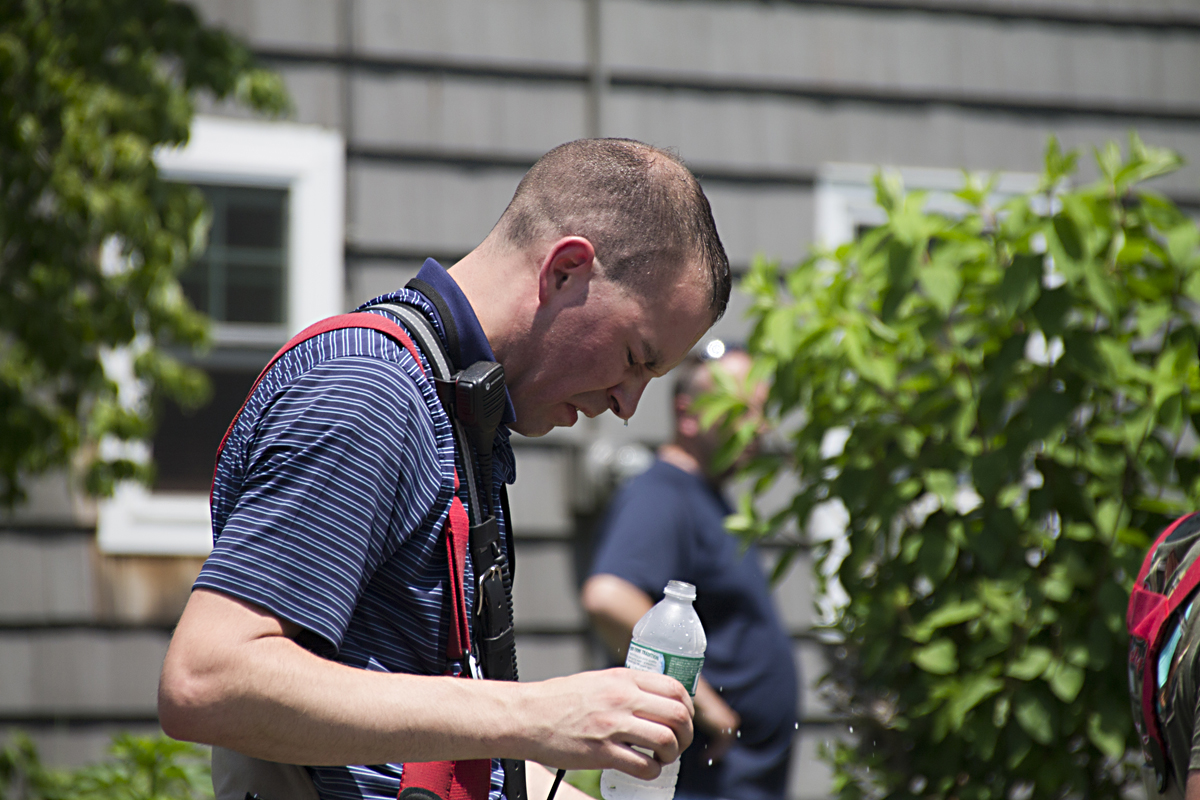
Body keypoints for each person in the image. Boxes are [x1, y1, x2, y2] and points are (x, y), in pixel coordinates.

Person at [157, 138, 731, 800]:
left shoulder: (452, 406)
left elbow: (413, 744)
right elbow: (207, 681)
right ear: (565, 270)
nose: (629, 406)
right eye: (636, 357)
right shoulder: (370, 390)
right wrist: (537, 716)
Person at [582, 349, 798, 800]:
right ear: (688, 412)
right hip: (697, 781)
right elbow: (609, 597)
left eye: (762, 412)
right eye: (742, 410)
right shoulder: (664, 494)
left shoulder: (705, 497)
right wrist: (705, 705)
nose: (759, 428)